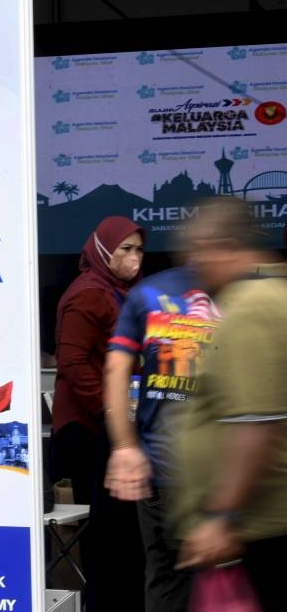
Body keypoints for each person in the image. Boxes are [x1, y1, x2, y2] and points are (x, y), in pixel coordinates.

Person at [172, 198, 287, 611]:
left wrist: (223, 517)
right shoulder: (270, 294)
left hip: (262, 528)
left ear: (221, 246)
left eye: (197, 254)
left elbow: (256, 422)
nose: (195, 267)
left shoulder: (251, 307)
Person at [103, 245, 220, 612]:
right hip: (221, 471)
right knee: (226, 579)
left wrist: (124, 447)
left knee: (166, 577)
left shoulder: (148, 293)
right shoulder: (243, 292)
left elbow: (115, 370)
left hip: (159, 463)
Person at [52, 216, 145, 612]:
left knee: (123, 529)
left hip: (113, 423)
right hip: (89, 427)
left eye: (139, 249)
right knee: (111, 532)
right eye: (125, 249)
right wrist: (110, 410)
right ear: (104, 250)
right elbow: (73, 362)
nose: (135, 258)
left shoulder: (120, 292)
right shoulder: (88, 294)